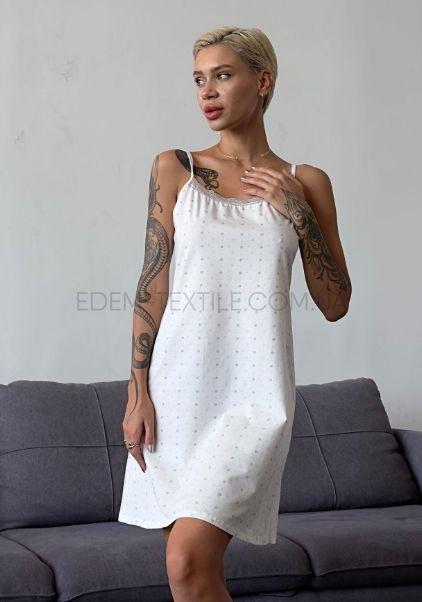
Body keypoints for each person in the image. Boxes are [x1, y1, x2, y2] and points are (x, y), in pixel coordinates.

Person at [118, 25, 352, 602]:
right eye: (199, 79)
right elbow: (152, 285)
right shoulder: (174, 168)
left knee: (187, 561)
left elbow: (335, 303)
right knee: (193, 573)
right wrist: (138, 391)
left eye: (223, 75)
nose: (207, 91)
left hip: (255, 395)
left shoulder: (305, 182)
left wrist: (298, 213)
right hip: (177, 391)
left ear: (263, 81)